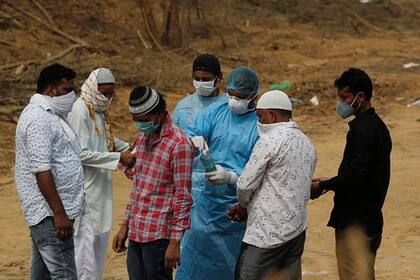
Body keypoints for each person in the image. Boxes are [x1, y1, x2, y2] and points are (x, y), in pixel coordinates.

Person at [176, 67, 260, 280]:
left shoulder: (260, 125)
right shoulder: (218, 110)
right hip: (208, 202)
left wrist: (232, 176)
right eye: (231, 94)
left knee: (230, 264)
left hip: (239, 205)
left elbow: (261, 168)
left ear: (254, 96)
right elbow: (191, 131)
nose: (233, 101)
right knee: (195, 258)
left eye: (240, 97)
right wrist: (193, 140)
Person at [311, 68, 392, 280]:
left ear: (361, 97)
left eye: (345, 97)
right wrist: (330, 181)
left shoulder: (362, 132)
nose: (341, 104)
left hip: (356, 223)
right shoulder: (378, 127)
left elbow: (355, 177)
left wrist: (323, 185)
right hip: (370, 218)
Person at [227, 90, 317, 280]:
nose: (258, 122)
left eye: (260, 116)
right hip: (296, 231)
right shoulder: (307, 143)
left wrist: (243, 206)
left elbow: (245, 185)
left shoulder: (269, 140)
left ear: (272, 115)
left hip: (266, 233)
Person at [112, 86, 194, 280]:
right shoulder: (143, 137)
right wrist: (125, 225)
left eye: (144, 121)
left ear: (158, 114)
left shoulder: (179, 145)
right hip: (138, 230)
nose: (140, 125)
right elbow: (138, 187)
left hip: (159, 235)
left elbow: (183, 197)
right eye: (136, 121)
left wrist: (174, 242)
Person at [15, 63, 84, 279]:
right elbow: (41, 169)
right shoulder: (38, 119)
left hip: (54, 213)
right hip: (49, 215)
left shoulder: (52, 115)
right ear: (51, 90)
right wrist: (59, 214)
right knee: (64, 274)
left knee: (42, 275)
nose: (72, 95)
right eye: (66, 90)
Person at [67, 68, 135, 280]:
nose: (107, 97)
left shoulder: (99, 110)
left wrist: (132, 149)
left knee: (96, 247)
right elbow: (82, 153)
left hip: (101, 190)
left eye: (110, 93)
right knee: (85, 251)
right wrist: (118, 159)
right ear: (93, 88)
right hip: (85, 189)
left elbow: (108, 143)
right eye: (103, 92)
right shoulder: (80, 110)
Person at [172, 53, 226, 131]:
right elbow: (174, 135)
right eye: (197, 79)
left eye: (206, 79)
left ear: (219, 77)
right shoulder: (183, 106)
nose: (201, 83)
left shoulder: (227, 105)